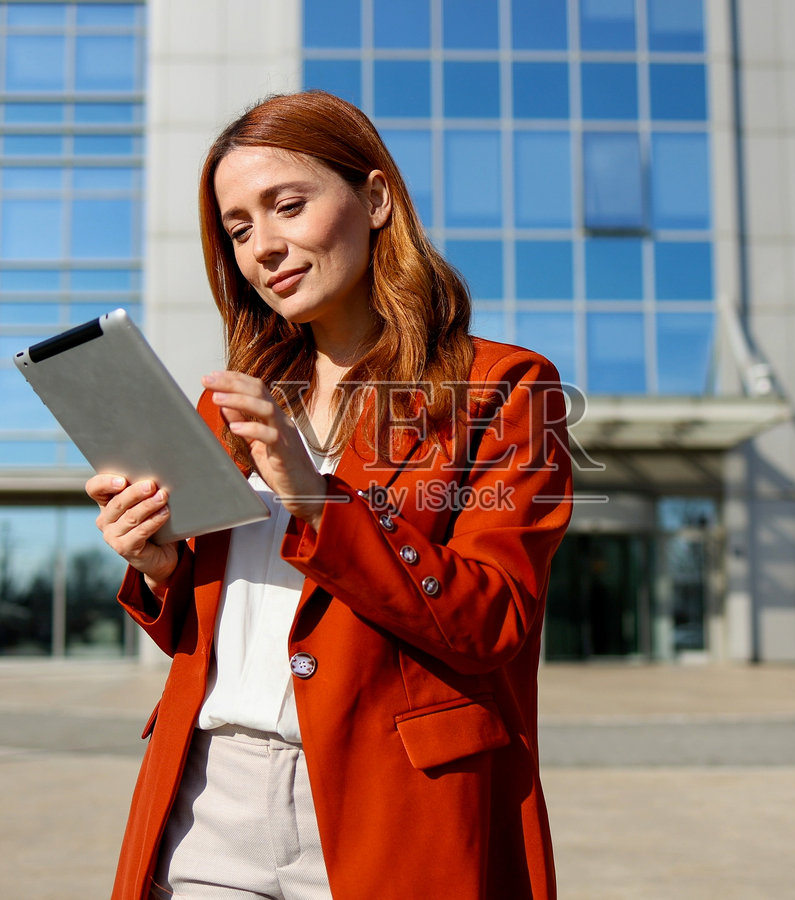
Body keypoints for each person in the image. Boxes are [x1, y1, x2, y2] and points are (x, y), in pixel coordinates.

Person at [87, 91, 573, 900]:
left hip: (392, 805)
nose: (264, 248)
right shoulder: (232, 404)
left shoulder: (509, 388)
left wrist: (322, 503)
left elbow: (497, 620)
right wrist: (160, 565)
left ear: (376, 199)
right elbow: (208, 628)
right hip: (209, 795)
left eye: (288, 205)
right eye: (239, 230)